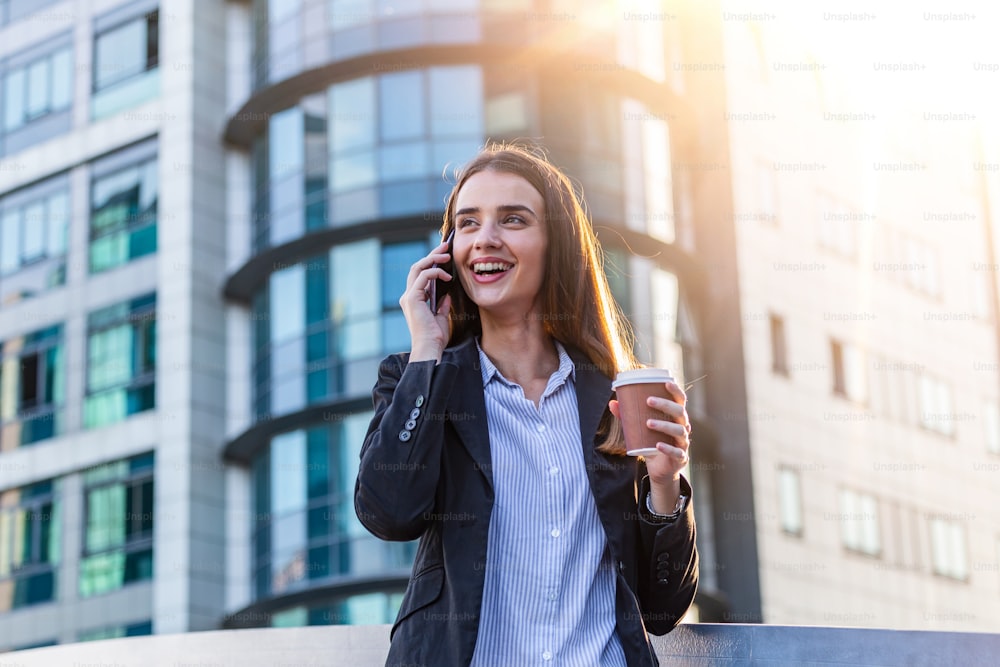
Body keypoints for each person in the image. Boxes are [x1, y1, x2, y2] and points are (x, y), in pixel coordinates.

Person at [355, 143, 698, 666]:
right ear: (448, 250)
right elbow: (388, 513)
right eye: (467, 223)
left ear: (554, 243)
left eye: (512, 219)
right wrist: (428, 349)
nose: (485, 240)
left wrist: (665, 483)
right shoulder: (418, 379)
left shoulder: (613, 394)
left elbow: (661, 609)